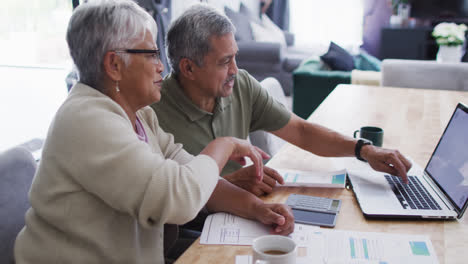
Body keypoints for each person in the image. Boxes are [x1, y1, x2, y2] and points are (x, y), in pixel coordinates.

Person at [14, 1, 294, 263]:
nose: (162, 66)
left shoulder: (140, 114)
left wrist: (258, 208)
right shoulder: (86, 120)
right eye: (151, 54)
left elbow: (195, 179)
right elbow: (178, 198)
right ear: (114, 65)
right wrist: (224, 145)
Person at [151, 4, 412, 197]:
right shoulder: (153, 112)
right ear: (188, 69)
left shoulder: (241, 84)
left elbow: (301, 131)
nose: (235, 70)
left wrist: (363, 150)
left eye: (234, 57)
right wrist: (230, 184)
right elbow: (163, 198)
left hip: (250, 208)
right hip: (199, 228)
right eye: (224, 61)